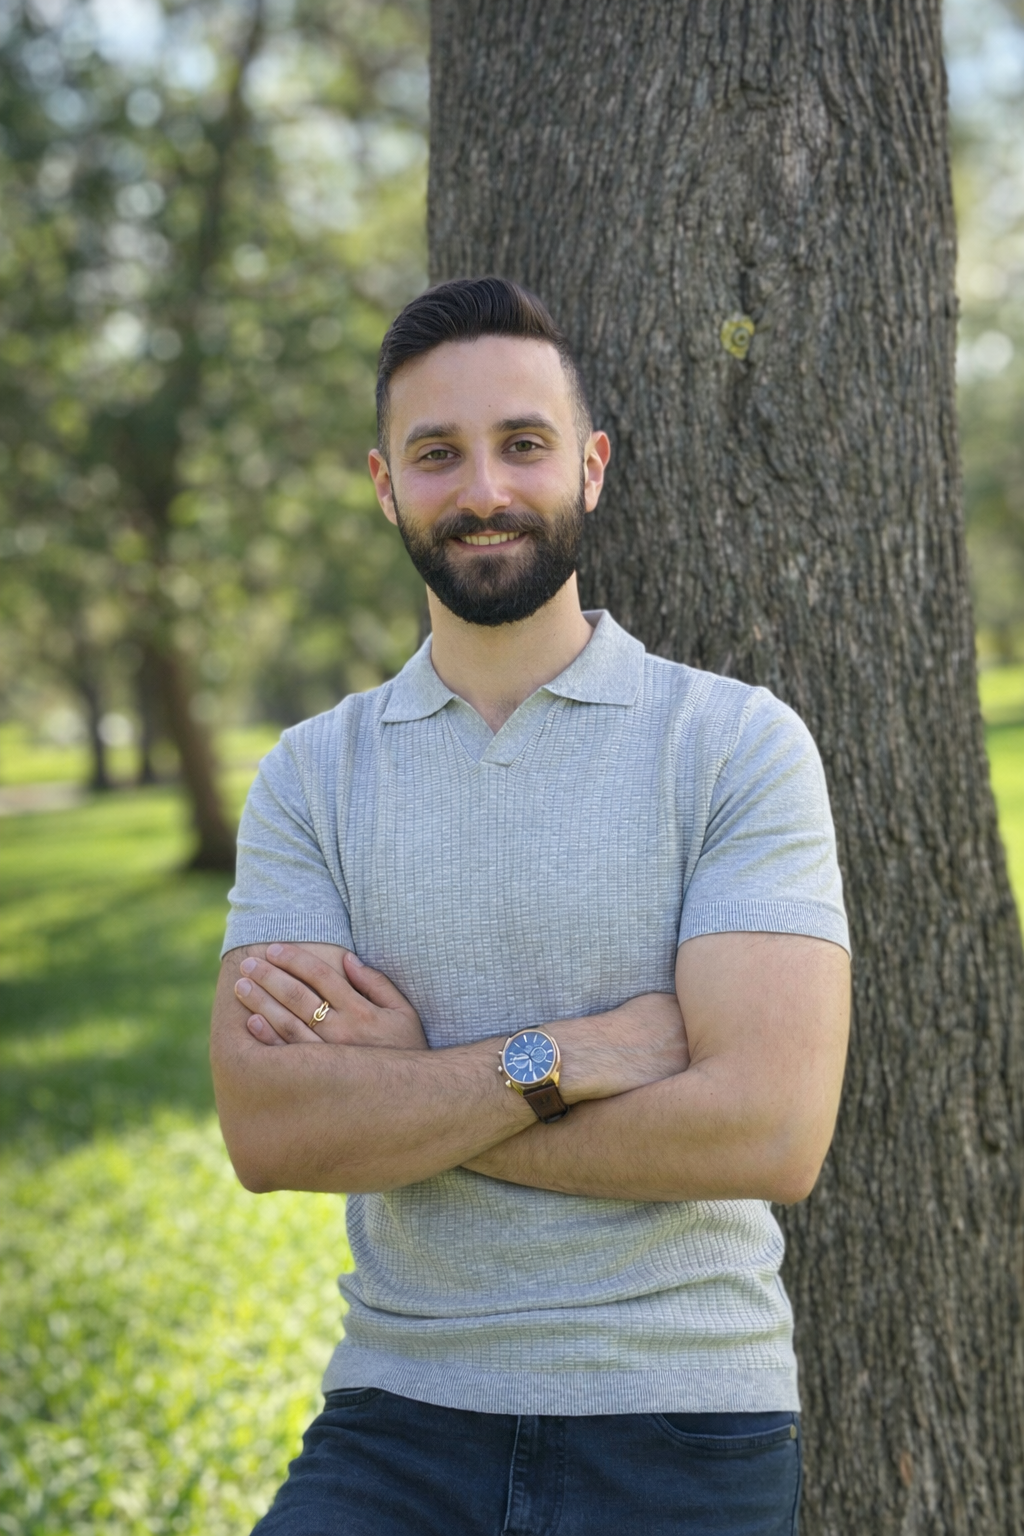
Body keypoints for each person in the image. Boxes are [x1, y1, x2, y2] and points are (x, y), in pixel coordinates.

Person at [210, 276, 851, 1536]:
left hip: (681, 1418)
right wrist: (587, 1052)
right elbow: (273, 1134)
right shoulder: (311, 774)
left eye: (523, 444)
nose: (484, 490)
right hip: (396, 1415)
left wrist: (409, 1094)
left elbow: (767, 1136)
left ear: (591, 467)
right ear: (386, 485)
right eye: (436, 454)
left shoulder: (730, 745)